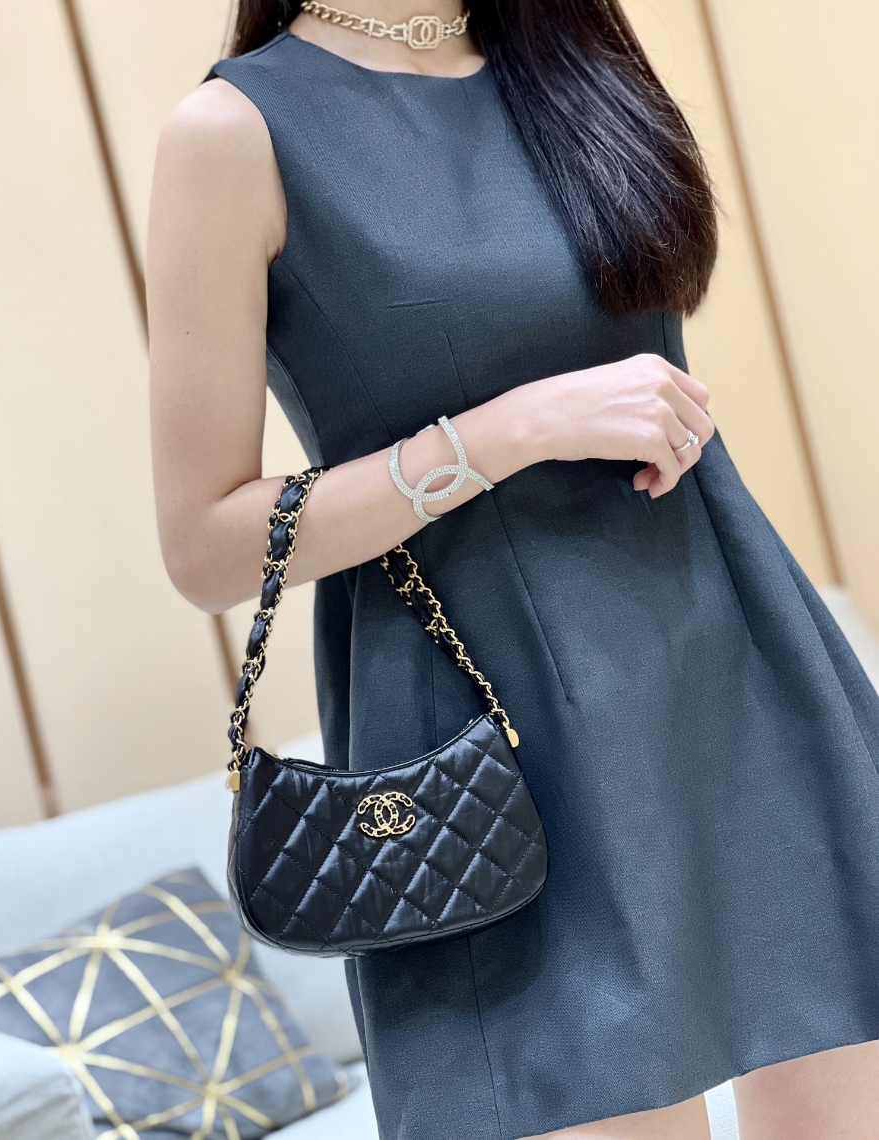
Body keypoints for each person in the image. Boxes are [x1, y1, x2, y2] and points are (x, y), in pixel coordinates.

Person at [145, 3, 879, 1138]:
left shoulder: (571, 50)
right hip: (492, 735)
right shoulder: (235, 132)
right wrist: (510, 431)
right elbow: (205, 546)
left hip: (732, 663)